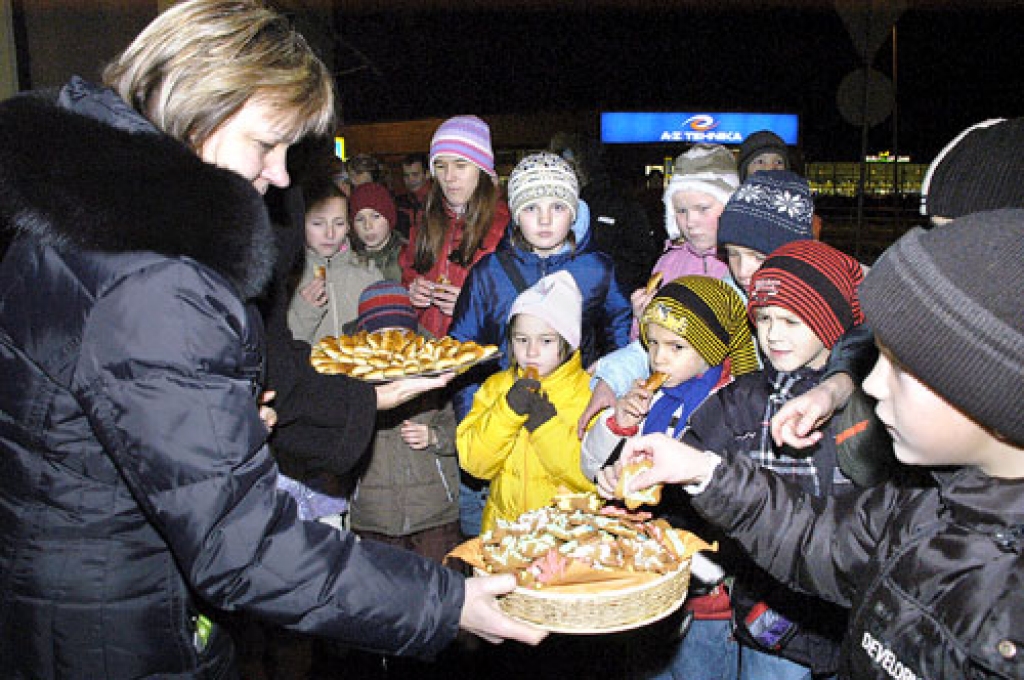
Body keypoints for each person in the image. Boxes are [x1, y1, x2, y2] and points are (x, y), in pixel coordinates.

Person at [0, 2, 544, 677]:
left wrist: (276, 413)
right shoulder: (155, 281)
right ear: (196, 104)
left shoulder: (83, 215)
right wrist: (441, 601)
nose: (282, 175)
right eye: (267, 144)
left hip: (73, 604)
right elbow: (241, 544)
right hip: (124, 628)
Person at [604, 210, 1024, 679]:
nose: (872, 383)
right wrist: (702, 471)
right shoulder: (919, 509)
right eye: (764, 319)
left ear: (992, 386)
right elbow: (811, 534)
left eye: (901, 366)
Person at [448, 152, 631, 536]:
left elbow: (619, 331)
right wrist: (475, 420)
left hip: (571, 410)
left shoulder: (598, 268)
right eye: (531, 207)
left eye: (558, 206)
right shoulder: (489, 273)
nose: (545, 219)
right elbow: (461, 351)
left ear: (575, 211)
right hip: (504, 408)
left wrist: (609, 390)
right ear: (515, 214)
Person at [580, 275, 759, 479]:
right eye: (653, 342)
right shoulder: (647, 398)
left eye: (676, 347)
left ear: (711, 350)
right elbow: (592, 470)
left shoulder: (736, 409)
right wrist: (619, 427)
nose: (658, 358)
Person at [457, 271, 595, 533]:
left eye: (546, 341)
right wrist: (506, 412)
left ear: (568, 342)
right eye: (522, 340)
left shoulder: (589, 395)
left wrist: (546, 428)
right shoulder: (496, 387)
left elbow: (592, 479)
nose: (531, 352)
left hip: (567, 538)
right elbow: (474, 462)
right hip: (504, 533)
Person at [346, 282, 462, 563]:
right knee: (384, 597)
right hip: (376, 516)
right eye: (381, 337)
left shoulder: (436, 372)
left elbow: (461, 429)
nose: (391, 347)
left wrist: (435, 437)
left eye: (399, 336)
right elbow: (337, 437)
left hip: (433, 513)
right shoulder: (348, 376)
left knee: (442, 590)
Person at [399, 115, 509, 339]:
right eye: (441, 166)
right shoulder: (425, 220)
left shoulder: (506, 227)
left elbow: (523, 307)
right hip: (428, 348)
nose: (449, 177)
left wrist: (472, 307)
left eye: (461, 165)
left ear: (482, 169)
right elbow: (409, 271)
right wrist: (411, 291)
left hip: (479, 354)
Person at [627, 144, 737, 340]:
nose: (690, 222)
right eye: (681, 211)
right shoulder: (667, 264)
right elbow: (644, 347)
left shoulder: (743, 265)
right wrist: (642, 321)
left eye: (703, 209)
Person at [549, 131, 662, 296]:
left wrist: (603, 278)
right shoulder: (551, 205)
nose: (563, 170)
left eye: (569, 162)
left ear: (583, 163)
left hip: (609, 304)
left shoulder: (618, 204)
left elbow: (641, 259)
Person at [287, 176, 382, 343]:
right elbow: (282, 348)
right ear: (301, 224)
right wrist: (306, 311)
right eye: (318, 224)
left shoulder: (369, 274)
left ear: (348, 226)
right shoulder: (288, 280)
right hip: (310, 368)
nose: (330, 234)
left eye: (338, 223)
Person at [349, 181, 406, 282]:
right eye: (359, 219)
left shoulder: (408, 257)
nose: (367, 226)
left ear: (389, 218)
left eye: (375, 216)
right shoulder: (348, 261)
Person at [395, 151, 432, 238]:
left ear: (427, 174)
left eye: (415, 175)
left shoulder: (439, 201)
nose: (410, 180)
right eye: (406, 175)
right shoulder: (400, 203)